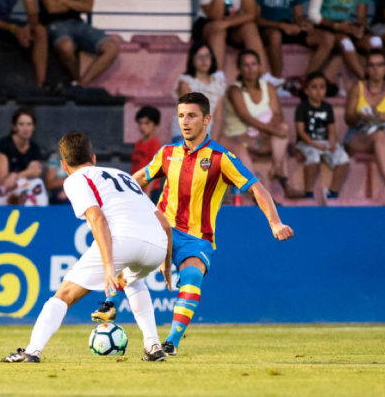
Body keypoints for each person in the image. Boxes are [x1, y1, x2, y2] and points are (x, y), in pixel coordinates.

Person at [92, 92, 294, 357]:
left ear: (206, 119)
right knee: (131, 253)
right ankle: (109, 303)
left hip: (197, 238)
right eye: (181, 116)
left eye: (191, 115)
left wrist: (275, 223)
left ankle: (171, 342)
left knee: (192, 276)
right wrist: (108, 198)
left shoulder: (221, 158)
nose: (185, 122)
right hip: (160, 228)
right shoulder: (168, 152)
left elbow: (257, 189)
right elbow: (140, 178)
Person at [1, 132, 173, 363]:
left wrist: (108, 266)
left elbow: (97, 218)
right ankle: (153, 346)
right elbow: (165, 224)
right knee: (132, 280)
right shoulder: (123, 175)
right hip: (157, 244)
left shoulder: (74, 179)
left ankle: (32, 352)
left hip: (124, 239)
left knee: (64, 294)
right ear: (93, 157)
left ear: (63, 165)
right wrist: (166, 264)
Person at [221, 49, 300, 198]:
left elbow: (278, 115)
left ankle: (278, 169)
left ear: (259, 66)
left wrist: (268, 131)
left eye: (253, 64)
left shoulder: (268, 87)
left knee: (283, 129)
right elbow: (245, 116)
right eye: (246, 65)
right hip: (241, 138)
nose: (251, 69)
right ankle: (264, 192)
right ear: (239, 68)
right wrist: (269, 130)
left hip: (262, 137)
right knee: (280, 134)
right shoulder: (234, 90)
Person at [193, 0, 280, 86]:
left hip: (232, 23)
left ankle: (264, 75)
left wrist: (227, 23)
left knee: (250, 26)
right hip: (208, 24)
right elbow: (216, 16)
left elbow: (251, 14)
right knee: (218, 29)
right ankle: (217, 76)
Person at [36, 0, 120, 87]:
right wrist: (77, 4)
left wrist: (64, 1)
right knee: (66, 47)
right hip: (54, 23)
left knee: (112, 48)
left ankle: (81, 85)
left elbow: (88, 7)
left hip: (78, 23)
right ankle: (77, 80)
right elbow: (52, 8)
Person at [345, 49, 385, 199]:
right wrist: (360, 116)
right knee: (379, 135)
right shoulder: (357, 88)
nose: (375, 69)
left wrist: (376, 115)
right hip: (359, 135)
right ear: (367, 69)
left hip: (384, 134)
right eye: (372, 65)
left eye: (379, 65)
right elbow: (348, 118)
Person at [253, 0, 335, 80]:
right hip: (267, 27)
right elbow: (256, 19)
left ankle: (306, 81)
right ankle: (278, 81)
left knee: (327, 39)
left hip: (288, 27)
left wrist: (304, 24)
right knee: (275, 35)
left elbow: (298, 16)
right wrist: (281, 26)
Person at [308, 0, 383, 79]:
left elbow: (361, 17)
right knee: (346, 43)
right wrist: (337, 26)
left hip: (350, 25)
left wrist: (360, 27)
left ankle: (383, 81)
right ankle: (367, 82)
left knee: (376, 41)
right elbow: (313, 15)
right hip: (327, 25)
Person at [295, 71, 349, 202]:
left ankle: (333, 193)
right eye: (314, 87)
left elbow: (331, 128)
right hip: (307, 142)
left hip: (323, 141)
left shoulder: (327, 107)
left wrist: (331, 143)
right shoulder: (302, 107)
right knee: (313, 156)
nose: (319, 91)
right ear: (306, 91)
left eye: (322, 87)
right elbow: (301, 132)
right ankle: (308, 191)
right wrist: (313, 144)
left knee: (343, 158)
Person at [0, 107, 48, 206]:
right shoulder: (4, 145)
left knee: (36, 185)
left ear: (33, 127)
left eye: (29, 124)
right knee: (27, 196)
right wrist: (26, 174)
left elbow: (35, 172)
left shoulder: (34, 147)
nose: (25, 128)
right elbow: (4, 182)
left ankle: (42, 217)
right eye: (21, 124)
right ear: (14, 127)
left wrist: (16, 176)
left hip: (21, 187)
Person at [172, 42, 226, 143]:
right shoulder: (185, 82)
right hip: (187, 133)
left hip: (209, 133)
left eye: (207, 56)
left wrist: (213, 142)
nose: (204, 60)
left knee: (237, 149)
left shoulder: (218, 83)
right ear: (192, 60)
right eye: (199, 56)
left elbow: (218, 117)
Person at [131, 106, 162, 203]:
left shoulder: (154, 144)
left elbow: (154, 169)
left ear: (156, 125)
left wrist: (148, 192)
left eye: (147, 123)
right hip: (136, 187)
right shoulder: (138, 144)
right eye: (140, 123)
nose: (142, 127)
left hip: (150, 191)